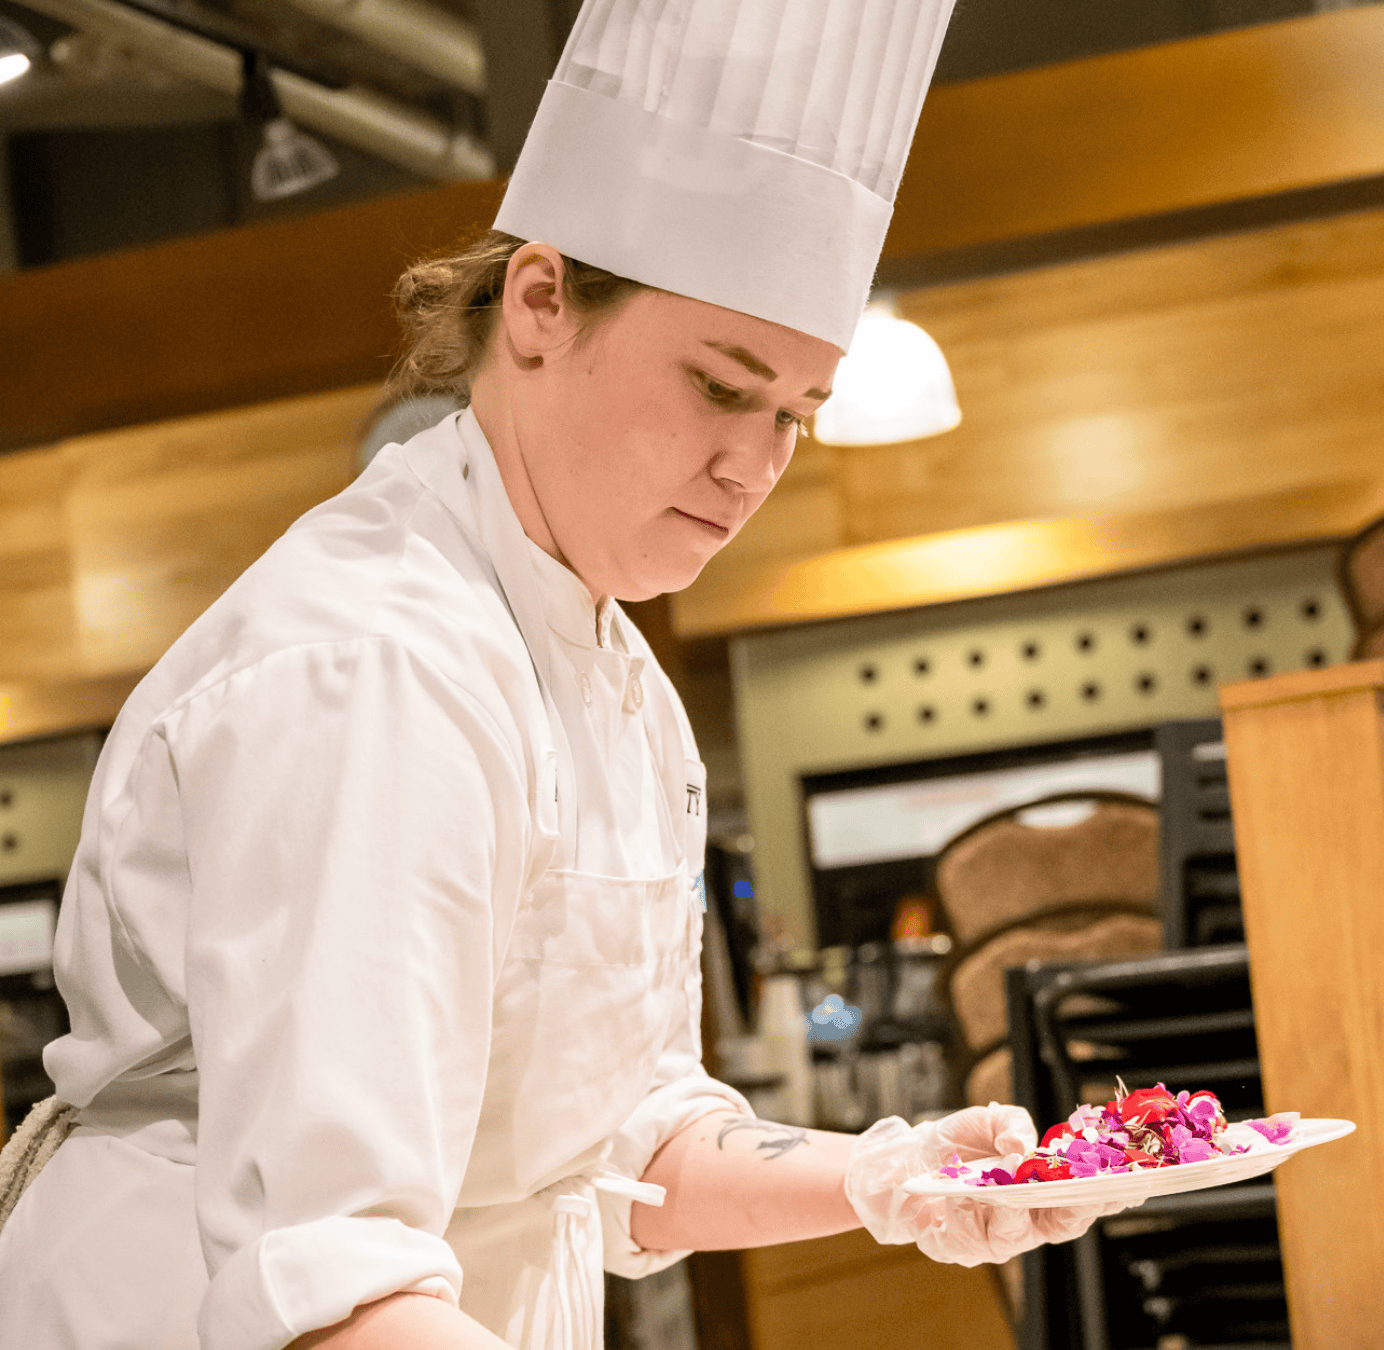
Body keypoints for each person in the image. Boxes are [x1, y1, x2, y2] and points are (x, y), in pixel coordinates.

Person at [0, 3, 1108, 1347]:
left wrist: (893, 1174)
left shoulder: (611, 675)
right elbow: (327, 1280)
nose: (753, 468)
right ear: (538, 303)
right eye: (718, 386)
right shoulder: (380, 668)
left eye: (792, 419)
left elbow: (614, 1144)